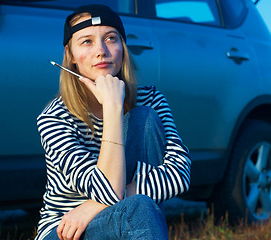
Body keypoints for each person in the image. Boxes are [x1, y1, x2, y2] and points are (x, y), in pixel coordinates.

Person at [35, 4, 191, 240]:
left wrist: (93, 206)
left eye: (110, 38)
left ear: (123, 48)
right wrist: (112, 108)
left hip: (122, 214)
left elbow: (180, 174)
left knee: (144, 118)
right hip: (67, 229)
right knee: (139, 207)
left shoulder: (151, 99)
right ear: (71, 55)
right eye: (86, 41)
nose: (101, 51)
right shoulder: (54, 117)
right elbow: (106, 190)